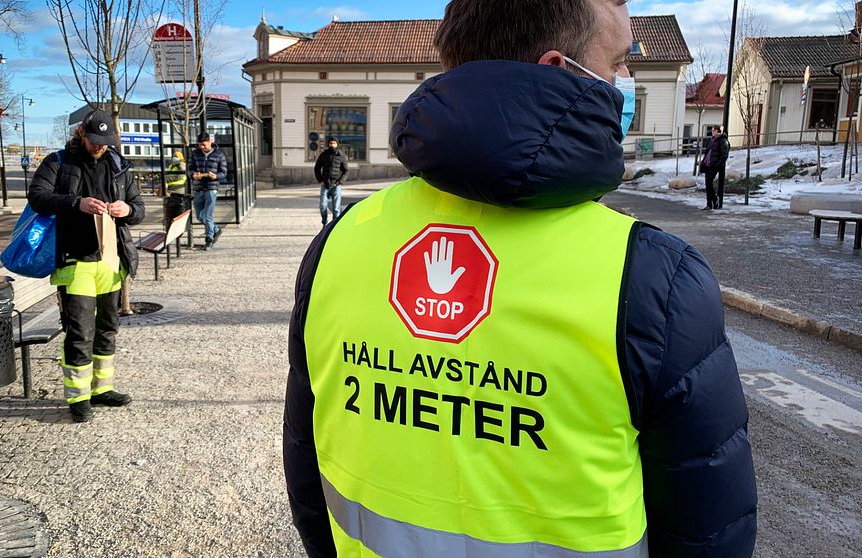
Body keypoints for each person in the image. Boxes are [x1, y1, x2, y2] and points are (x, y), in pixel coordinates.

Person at [283, 1, 757, 557]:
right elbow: (708, 535)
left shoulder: (339, 245)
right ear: (557, 70)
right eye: (619, 63)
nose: (625, 82)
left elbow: (309, 481)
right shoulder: (655, 277)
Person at [28, 109, 145, 423]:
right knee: (80, 332)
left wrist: (128, 209)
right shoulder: (58, 161)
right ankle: (78, 397)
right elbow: (37, 197)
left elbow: (140, 209)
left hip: (110, 261)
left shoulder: (118, 165)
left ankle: (100, 389)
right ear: (81, 133)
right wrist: (74, 202)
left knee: (107, 330)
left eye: (104, 142)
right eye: (94, 140)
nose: (99, 147)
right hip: (75, 261)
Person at [188, 133, 228, 250]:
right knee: (200, 216)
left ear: (210, 142)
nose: (201, 147)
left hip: (212, 188)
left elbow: (224, 172)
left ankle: (209, 240)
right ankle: (215, 229)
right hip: (198, 188)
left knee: (208, 216)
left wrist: (215, 176)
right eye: (200, 145)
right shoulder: (194, 154)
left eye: (204, 145)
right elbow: (189, 169)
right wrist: (193, 175)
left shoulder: (219, 155)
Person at [313, 136, 348, 226]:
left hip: (336, 186)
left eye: (334, 143)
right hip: (325, 185)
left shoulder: (341, 156)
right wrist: (320, 180)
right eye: (331, 143)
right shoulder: (324, 154)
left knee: (336, 209)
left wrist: (340, 182)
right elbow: (317, 168)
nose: (332, 145)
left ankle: (334, 226)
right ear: (328, 144)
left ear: (337, 144)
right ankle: (325, 223)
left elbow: (346, 170)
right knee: (323, 206)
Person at [703, 125, 730, 210]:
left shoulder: (722, 140)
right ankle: (709, 203)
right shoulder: (711, 140)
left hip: (714, 165)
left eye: (714, 130)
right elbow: (707, 152)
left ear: (718, 131)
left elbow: (724, 154)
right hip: (708, 164)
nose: (712, 132)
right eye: (712, 130)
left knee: (709, 182)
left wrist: (718, 164)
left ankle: (715, 199)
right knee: (707, 184)